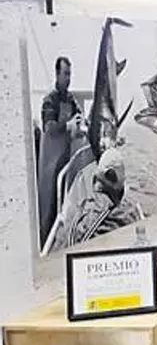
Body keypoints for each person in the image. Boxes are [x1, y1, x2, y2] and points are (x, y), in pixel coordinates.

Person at [37, 56, 83, 247]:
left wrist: (79, 126)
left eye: (70, 74)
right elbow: (49, 127)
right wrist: (67, 125)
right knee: (48, 205)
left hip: (65, 159)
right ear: (57, 74)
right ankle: (43, 245)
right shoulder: (50, 100)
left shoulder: (71, 99)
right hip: (49, 163)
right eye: (65, 74)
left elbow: (79, 118)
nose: (68, 78)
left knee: (63, 202)